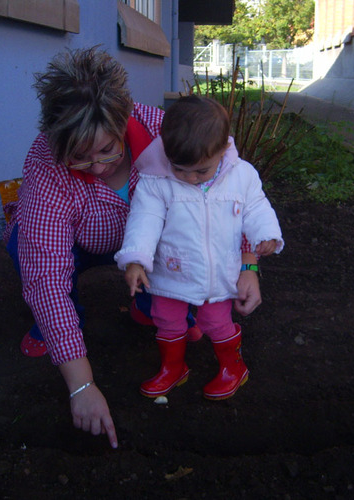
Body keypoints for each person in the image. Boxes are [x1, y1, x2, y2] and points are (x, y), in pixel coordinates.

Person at [4, 48, 263, 448]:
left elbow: (235, 196)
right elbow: (46, 273)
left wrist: (249, 265)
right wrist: (81, 386)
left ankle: (148, 306)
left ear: (124, 120)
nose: (98, 167)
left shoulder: (169, 129)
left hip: (152, 242)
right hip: (81, 242)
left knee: (172, 288)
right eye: (79, 157)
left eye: (108, 149)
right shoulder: (46, 163)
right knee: (26, 250)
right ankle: (56, 327)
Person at [115, 95, 284, 400]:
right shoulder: (156, 180)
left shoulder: (241, 176)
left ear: (223, 150)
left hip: (217, 273)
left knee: (215, 321)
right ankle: (173, 368)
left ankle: (233, 368)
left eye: (201, 171)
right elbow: (144, 219)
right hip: (170, 271)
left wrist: (266, 234)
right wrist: (136, 259)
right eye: (180, 169)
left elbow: (256, 207)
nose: (190, 178)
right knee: (166, 319)